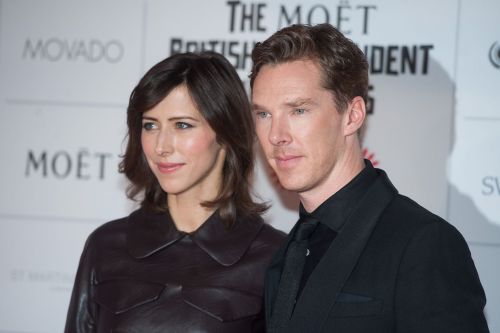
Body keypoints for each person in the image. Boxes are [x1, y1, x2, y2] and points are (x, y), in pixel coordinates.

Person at [250, 23, 489, 333]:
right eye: (263, 114)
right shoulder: (287, 250)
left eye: (298, 110)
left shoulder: (423, 244)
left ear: (352, 115)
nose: (276, 135)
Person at [64, 51, 285, 332]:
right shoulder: (105, 246)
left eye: (182, 125)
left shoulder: (274, 256)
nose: (161, 147)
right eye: (150, 125)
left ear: (226, 134)